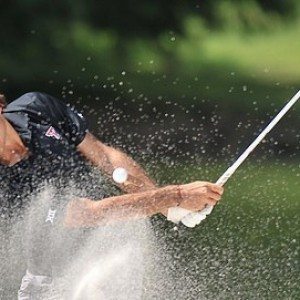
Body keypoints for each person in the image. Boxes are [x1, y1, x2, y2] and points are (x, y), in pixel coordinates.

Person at [0, 92, 223, 299]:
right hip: (50, 286)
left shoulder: (35, 107)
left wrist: (170, 209)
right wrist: (177, 195)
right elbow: (85, 214)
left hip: (106, 253)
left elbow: (105, 156)